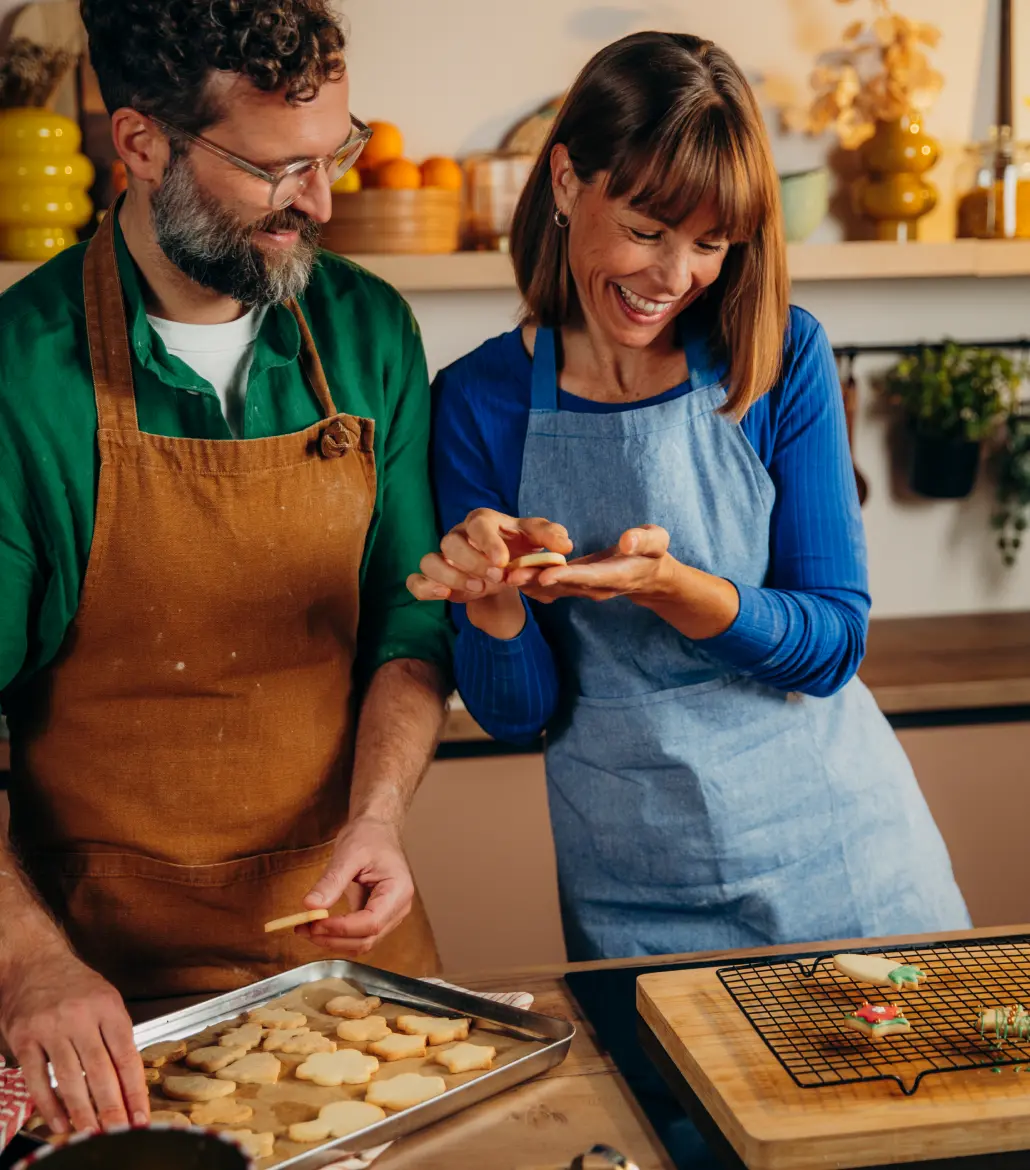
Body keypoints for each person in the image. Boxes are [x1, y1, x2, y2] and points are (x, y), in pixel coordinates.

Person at [410, 32, 970, 966]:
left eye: (710, 244)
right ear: (563, 182)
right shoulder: (477, 403)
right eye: (645, 230)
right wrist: (495, 599)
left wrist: (671, 586)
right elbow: (518, 714)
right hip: (635, 892)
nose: (675, 278)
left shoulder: (778, 357)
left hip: (841, 863)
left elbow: (832, 645)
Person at [0, 0, 451, 1137]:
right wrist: (24, 968)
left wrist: (380, 818)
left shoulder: (369, 335)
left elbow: (411, 628)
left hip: (347, 964)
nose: (323, 199)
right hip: (98, 1003)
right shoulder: (20, 378)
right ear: (141, 143)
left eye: (335, 151)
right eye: (275, 168)